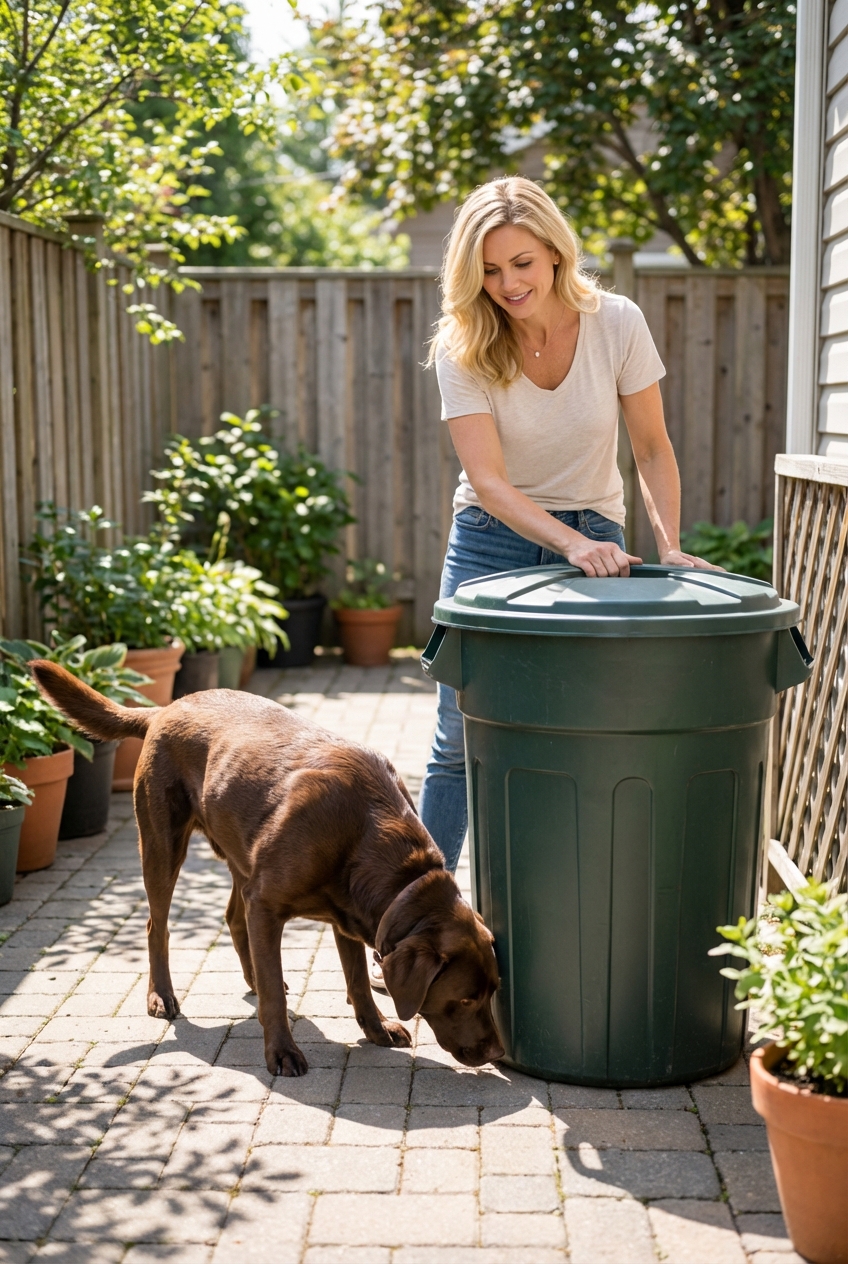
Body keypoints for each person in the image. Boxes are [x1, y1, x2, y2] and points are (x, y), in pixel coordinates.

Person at [417, 175, 718, 876]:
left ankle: (564, 886)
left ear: (555, 251)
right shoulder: (464, 346)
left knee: (583, 723)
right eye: (489, 270)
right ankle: (415, 920)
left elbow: (650, 447)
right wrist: (573, 543)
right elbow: (488, 481)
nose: (507, 283)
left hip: (593, 531)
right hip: (492, 541)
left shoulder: (617, 323)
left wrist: (667, 546)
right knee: (457, 736)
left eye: (522, 262)